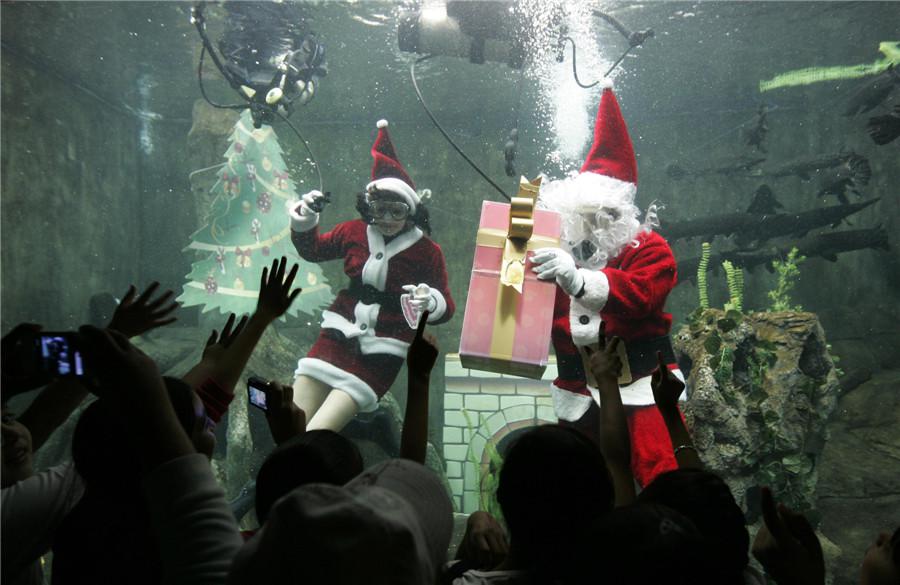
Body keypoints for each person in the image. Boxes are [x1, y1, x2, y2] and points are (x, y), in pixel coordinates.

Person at [531, 79, 683, 487]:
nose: (597, 225)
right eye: (588, 215)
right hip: (578, 389)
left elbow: (640, 296)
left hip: (641, 386)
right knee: (577, 483)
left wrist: (577, 280)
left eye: (608, 215)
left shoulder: (651, 248)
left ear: (625, 210)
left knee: (660, 471)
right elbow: (522, 306)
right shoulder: (558, 250)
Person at [287, 119, 454, 431]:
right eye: (379, 209)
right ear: (368, 206)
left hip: (383, 350)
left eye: (397, 211)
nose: (387, 219)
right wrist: (306, 216)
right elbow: (313, 251)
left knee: (318, 431)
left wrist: (430, 302)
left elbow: (447, 306)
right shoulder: (353, 231)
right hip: (336, 334)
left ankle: (365, 430)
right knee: (289, 421)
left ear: (411, 210)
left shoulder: (428, 251)